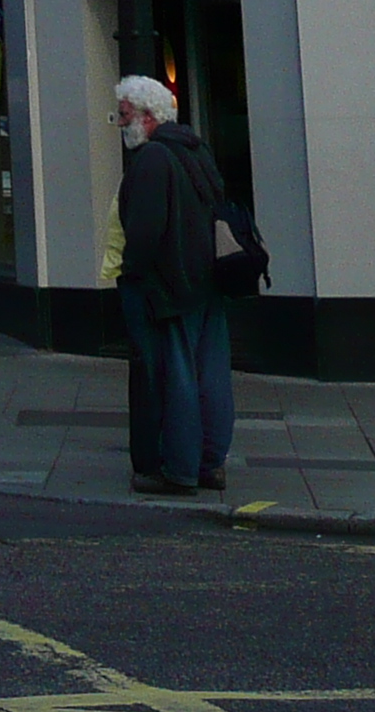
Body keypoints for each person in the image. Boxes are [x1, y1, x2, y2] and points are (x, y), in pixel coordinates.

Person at [112, 75, 233, 496]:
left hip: (169, 286)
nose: (119, 124)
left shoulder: (153, 159)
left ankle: (178, 469)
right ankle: (210, 463)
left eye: (124, 115)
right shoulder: (196, 151)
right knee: (210, 375)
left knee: (175, 378)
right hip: (207, 282)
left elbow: (144, 231)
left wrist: (131, 274)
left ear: (147, 117)